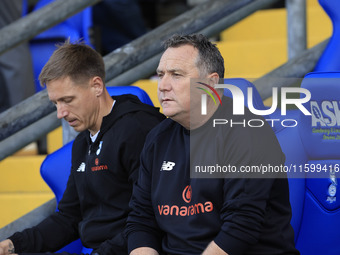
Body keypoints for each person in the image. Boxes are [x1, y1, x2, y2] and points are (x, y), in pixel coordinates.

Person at [125, 34, 300, 254]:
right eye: (160, 75)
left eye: (176, 75)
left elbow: (240, 227)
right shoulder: (157, 137)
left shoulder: (246, 132)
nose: (163, 86)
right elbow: (141, 220)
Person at [0, 41, 165, 255]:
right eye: (55, 103)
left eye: (67, 100)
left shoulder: (137, 129)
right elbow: (69, 218)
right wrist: (12, 245)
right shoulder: (82, 142)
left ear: (96, 86)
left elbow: (149, 217)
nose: (61, 113)